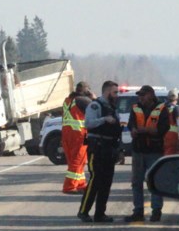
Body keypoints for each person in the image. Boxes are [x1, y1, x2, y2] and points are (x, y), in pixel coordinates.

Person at [77, 80, 121, 223]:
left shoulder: (113, 107)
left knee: (107, 182)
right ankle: (83, 211)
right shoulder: (95, 105)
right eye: (115, 92)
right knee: (96, 179)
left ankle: (100, 213)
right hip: (97, 148)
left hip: (110, 148)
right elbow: (88, 124)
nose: (117, 95)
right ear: (107, 92)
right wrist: (104, 119)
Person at [125, 84, 169, 222]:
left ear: (151, 95)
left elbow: (164, 128)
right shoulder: (135, 107)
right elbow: (131, 123)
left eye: (143, 95)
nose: (140, 97)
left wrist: (146, 131)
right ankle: (138, 211)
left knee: (154, 181)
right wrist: (133, 129)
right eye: (139, 95)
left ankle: (156, 211)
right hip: (138, 150)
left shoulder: (162, 108)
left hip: (154, 151)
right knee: (136, 182)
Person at [61, 81, 92, 194]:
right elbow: (96, 107)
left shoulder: (68, 100)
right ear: (86, 90)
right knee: (78, 160)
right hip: (78, 134)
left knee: (78, 160)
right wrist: (93, 97)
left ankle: (79, 183)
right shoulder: (82, 100)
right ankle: (68, 186)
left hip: (67, 134)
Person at [162, 88, 179, 156]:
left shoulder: (163, 107)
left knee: (165, 153)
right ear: (177, 98)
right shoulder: (176, 108)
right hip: (172, 135)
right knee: (171, 155)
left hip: (163, 135)